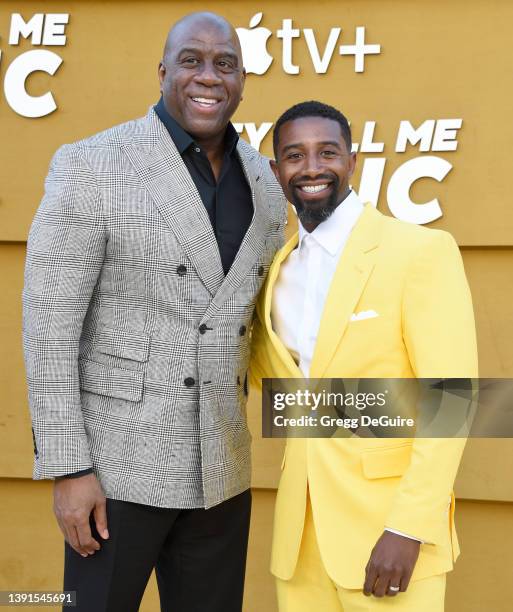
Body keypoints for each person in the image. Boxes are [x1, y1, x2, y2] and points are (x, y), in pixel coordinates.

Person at [22, 11, 286, 612]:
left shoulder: (268, 187)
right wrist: (68, 468)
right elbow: (50, 329)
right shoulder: (93, 163)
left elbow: (261, 329)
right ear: (163, 70)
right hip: (115, 474)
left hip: (220, 472)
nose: (208, 76)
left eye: (225, 64)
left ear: (242, 81)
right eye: (191, 60)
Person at [250, 100, 478, 611]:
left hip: (389, 537)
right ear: (276, 171)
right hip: (299, 543)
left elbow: (453, 401)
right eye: (294, 156)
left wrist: (409, 526)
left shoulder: (419, 252)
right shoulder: (274, 271)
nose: (311, 168)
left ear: (351, 161)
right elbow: (286, 394)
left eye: (326, 152)